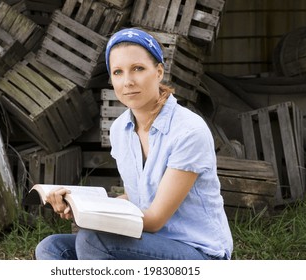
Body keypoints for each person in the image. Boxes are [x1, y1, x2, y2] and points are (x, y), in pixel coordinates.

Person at [35, 28, 233, 260]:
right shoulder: (120, 129)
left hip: (197, 251)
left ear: (158, 72)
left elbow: (154, 219)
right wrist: (79, 207)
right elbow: (137, 197)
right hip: (146, 242)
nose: (127, 81)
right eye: (118, 72)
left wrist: (93, 218)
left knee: (94, 240)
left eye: (138, 69)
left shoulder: (189, 131)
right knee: (51, 247)